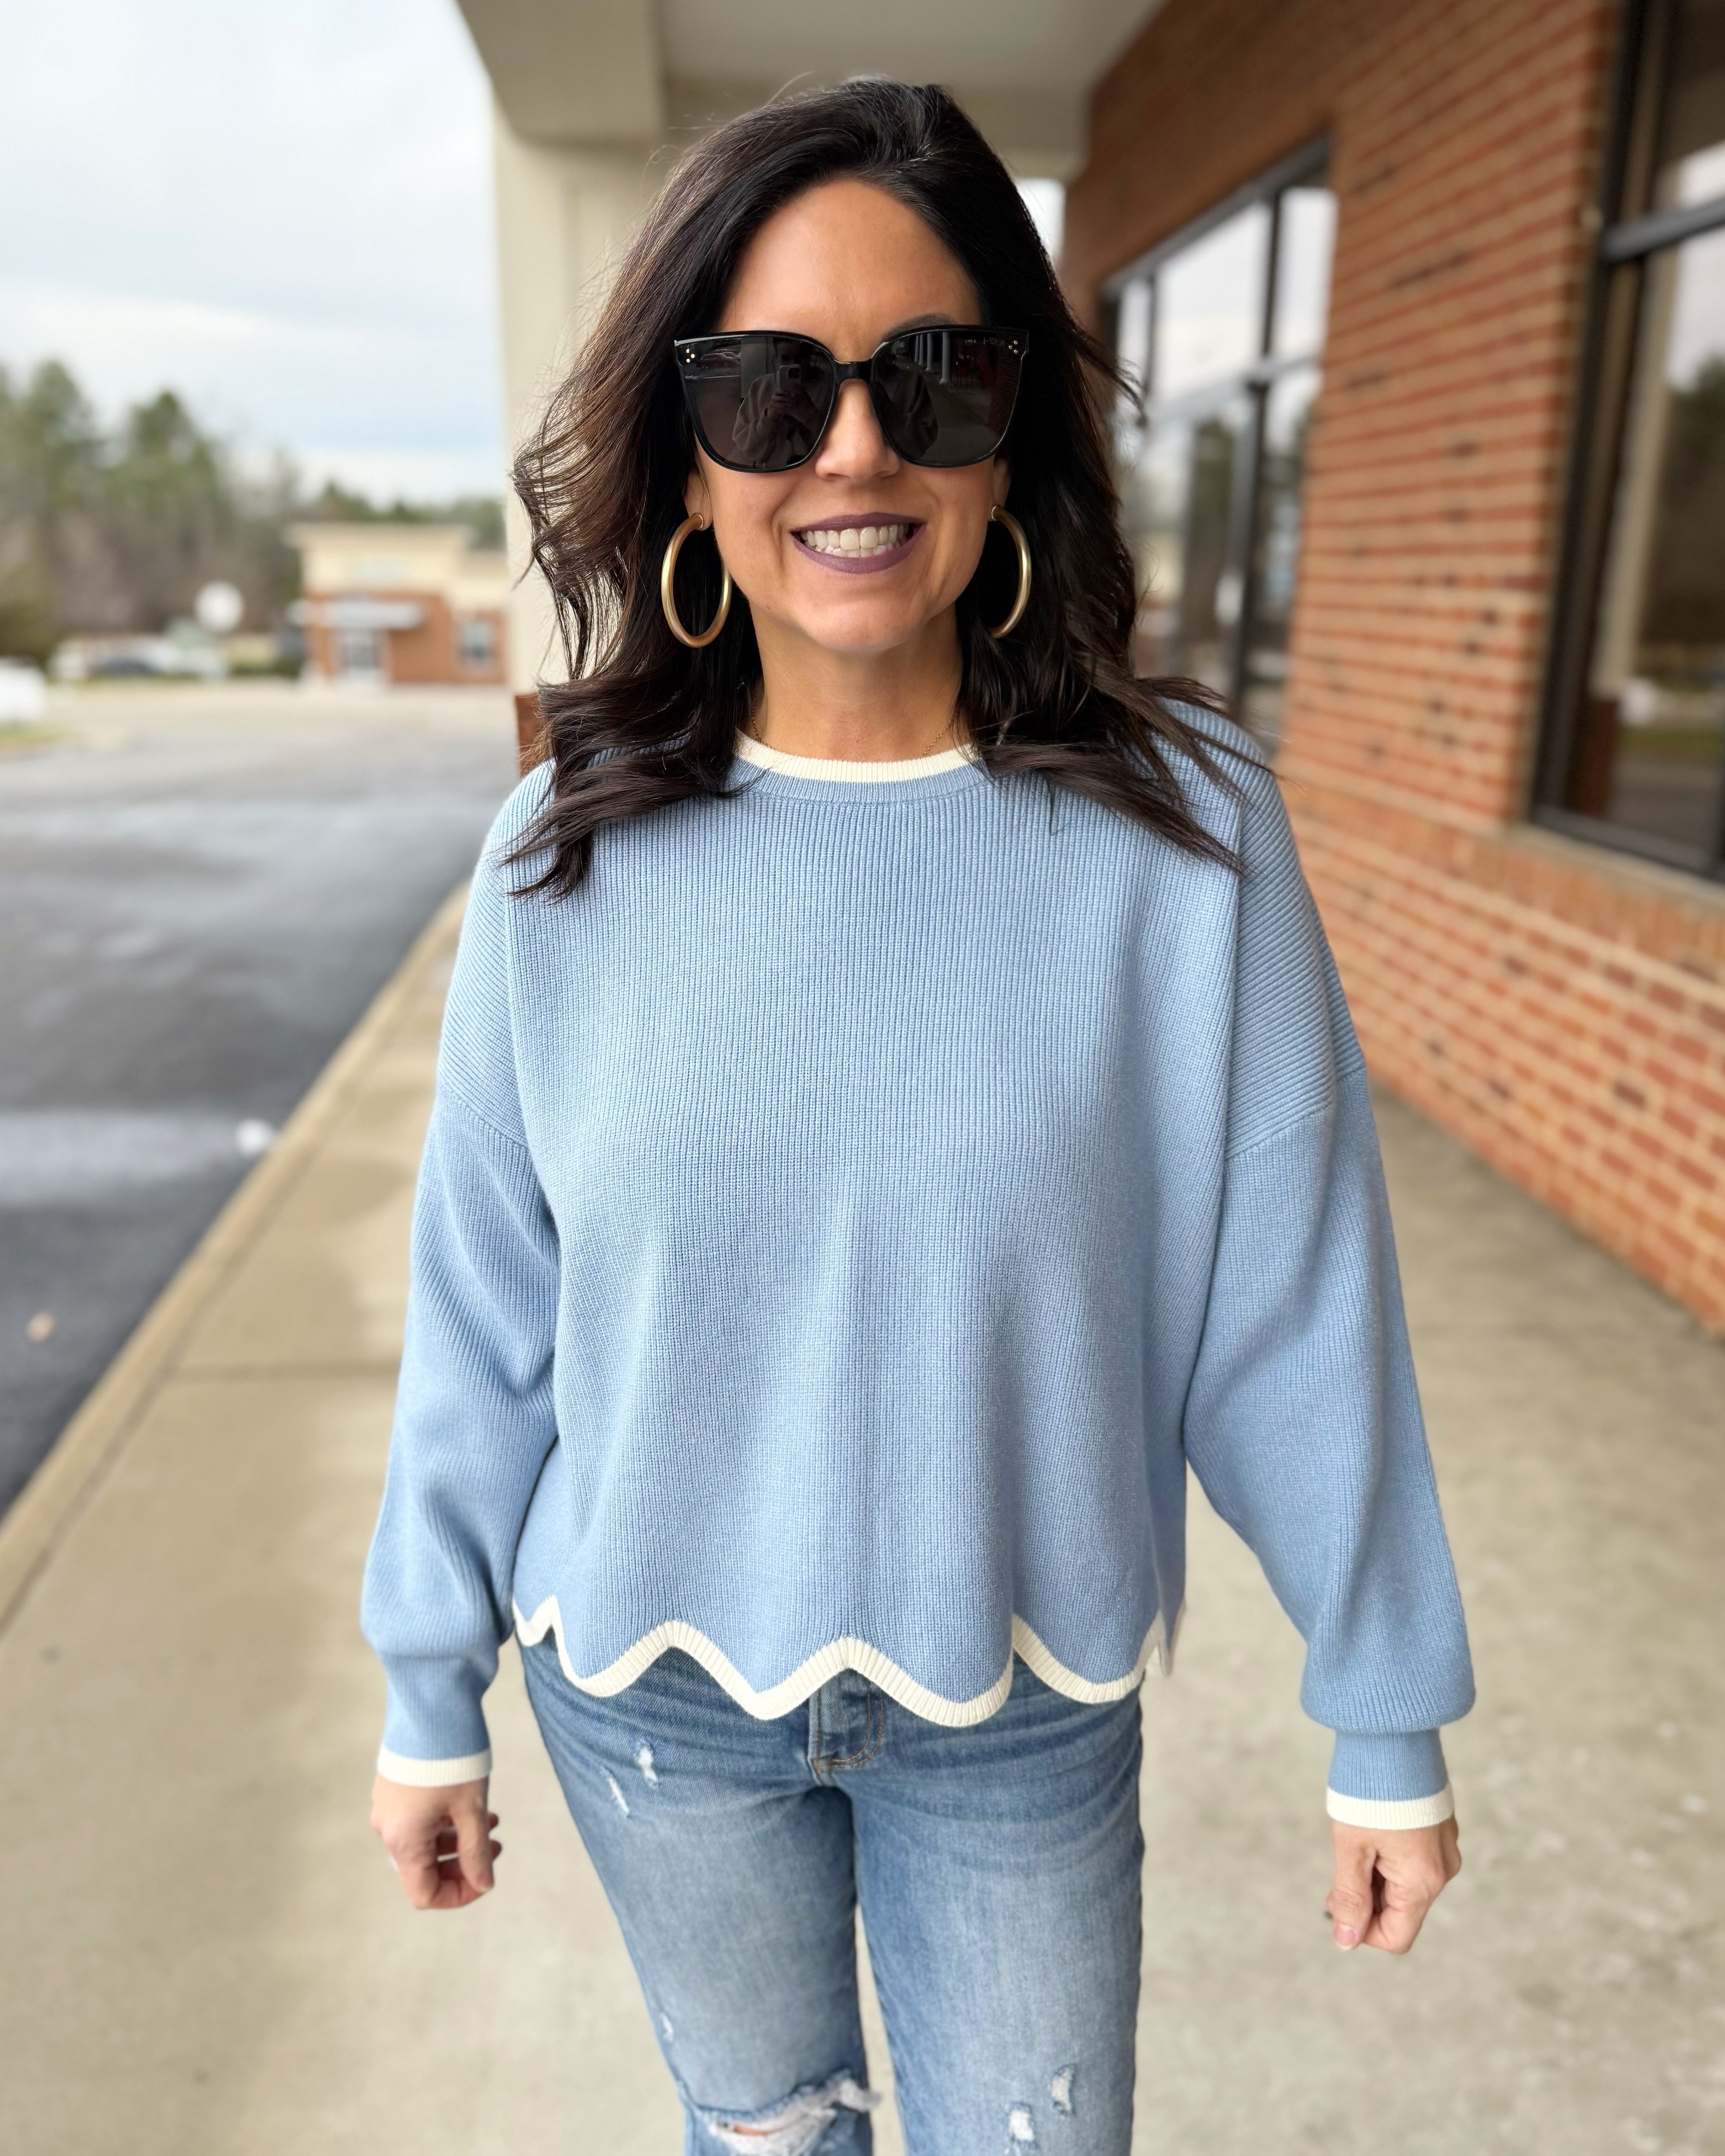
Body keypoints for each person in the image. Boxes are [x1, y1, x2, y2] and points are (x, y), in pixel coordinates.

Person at [361, 79, 1473, 2156]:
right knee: (764, 2135)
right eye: (768, 391)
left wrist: (1381, 1705)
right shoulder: (560, 864)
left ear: (1013, 435)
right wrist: (430, 1685)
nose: (851, 446)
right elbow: (485, 1316)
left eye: (929, 380)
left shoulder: (1188, 844)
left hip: (1020, 1702)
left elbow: (1294, 1308)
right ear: (686, 464)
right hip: (649, 1705)